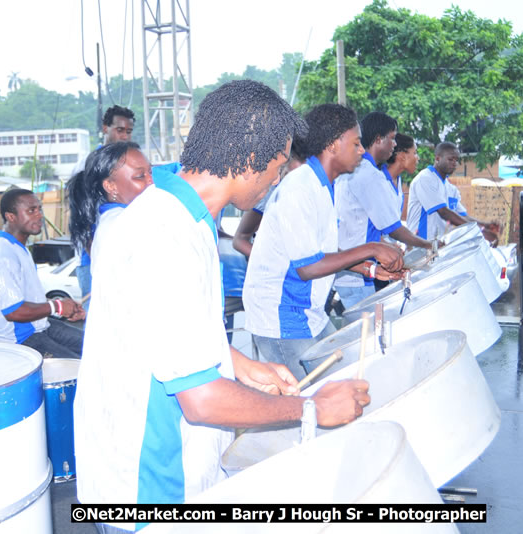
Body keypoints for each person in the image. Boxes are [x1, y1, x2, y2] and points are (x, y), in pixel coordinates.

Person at [74, 81, 370, 534]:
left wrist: (240, 364)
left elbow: (153, 328)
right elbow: (201, 400)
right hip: (150, 488)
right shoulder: (166, 234)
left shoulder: (173, 212)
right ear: (252, 157)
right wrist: (312, 408)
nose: (277, 178)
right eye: (278, 163)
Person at [243, 103, 405, 380]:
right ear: (332, 145)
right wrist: (373, 248)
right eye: (355, 144)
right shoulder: (300, 188)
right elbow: (309, 267)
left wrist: (370, 269)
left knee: (347, 378)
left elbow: (320, 253)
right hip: (283, 315)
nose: (362, 151)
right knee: (314, 399)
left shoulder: (321, 185)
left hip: (308, 311)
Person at [334, 113, 431, 307]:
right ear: (378, 139)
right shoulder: (369, 174)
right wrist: (429, 246)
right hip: (357, 274)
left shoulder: (362, 170)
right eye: (392, 138)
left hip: (352, 267)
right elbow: (393, 228)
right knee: (368, 333)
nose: (394, 145)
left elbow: (365, 223)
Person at [0, 189, 86, 357]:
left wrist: (65, 306)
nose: (39, 215)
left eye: (39, 209)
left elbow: (26, 298)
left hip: (40, 327)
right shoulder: (2, 255)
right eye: (31, 210)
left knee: (94, 347)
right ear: (11, 216)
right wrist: (57, 306)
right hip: (19, 341)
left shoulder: (19, 248)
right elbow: (14, 311)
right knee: (78, 371)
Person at [71, 105, 136, 308]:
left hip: (123, 258)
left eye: (128, 131)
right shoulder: (87, 166)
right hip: (94, 260)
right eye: (119, 130)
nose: (124, 136)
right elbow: (83, 221)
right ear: (105, 128)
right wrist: (100, 263)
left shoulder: (130, 166)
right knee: (99, 324)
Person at [67, 141, 153, 270]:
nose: (151, 182)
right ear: (110, 186)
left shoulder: (113, 220)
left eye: (150, 172)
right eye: (140, 176)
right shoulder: (126, 224)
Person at [231, 136, 308, 258]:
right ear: (282, 166)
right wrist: (271, 262)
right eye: (289, 175)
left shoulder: (306, 195)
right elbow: (239, 240)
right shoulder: (267, 196)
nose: (294, 182)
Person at [406, 142, 495, 240]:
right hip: (420, 246)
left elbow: (463, 217)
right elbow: (444, 212)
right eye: (450, 159)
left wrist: (485, 225)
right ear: (437, 158)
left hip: (439, 247)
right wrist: (479, 232)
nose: (454, 163)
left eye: (456, 160)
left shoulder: (451, 189)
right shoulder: (425, 179)